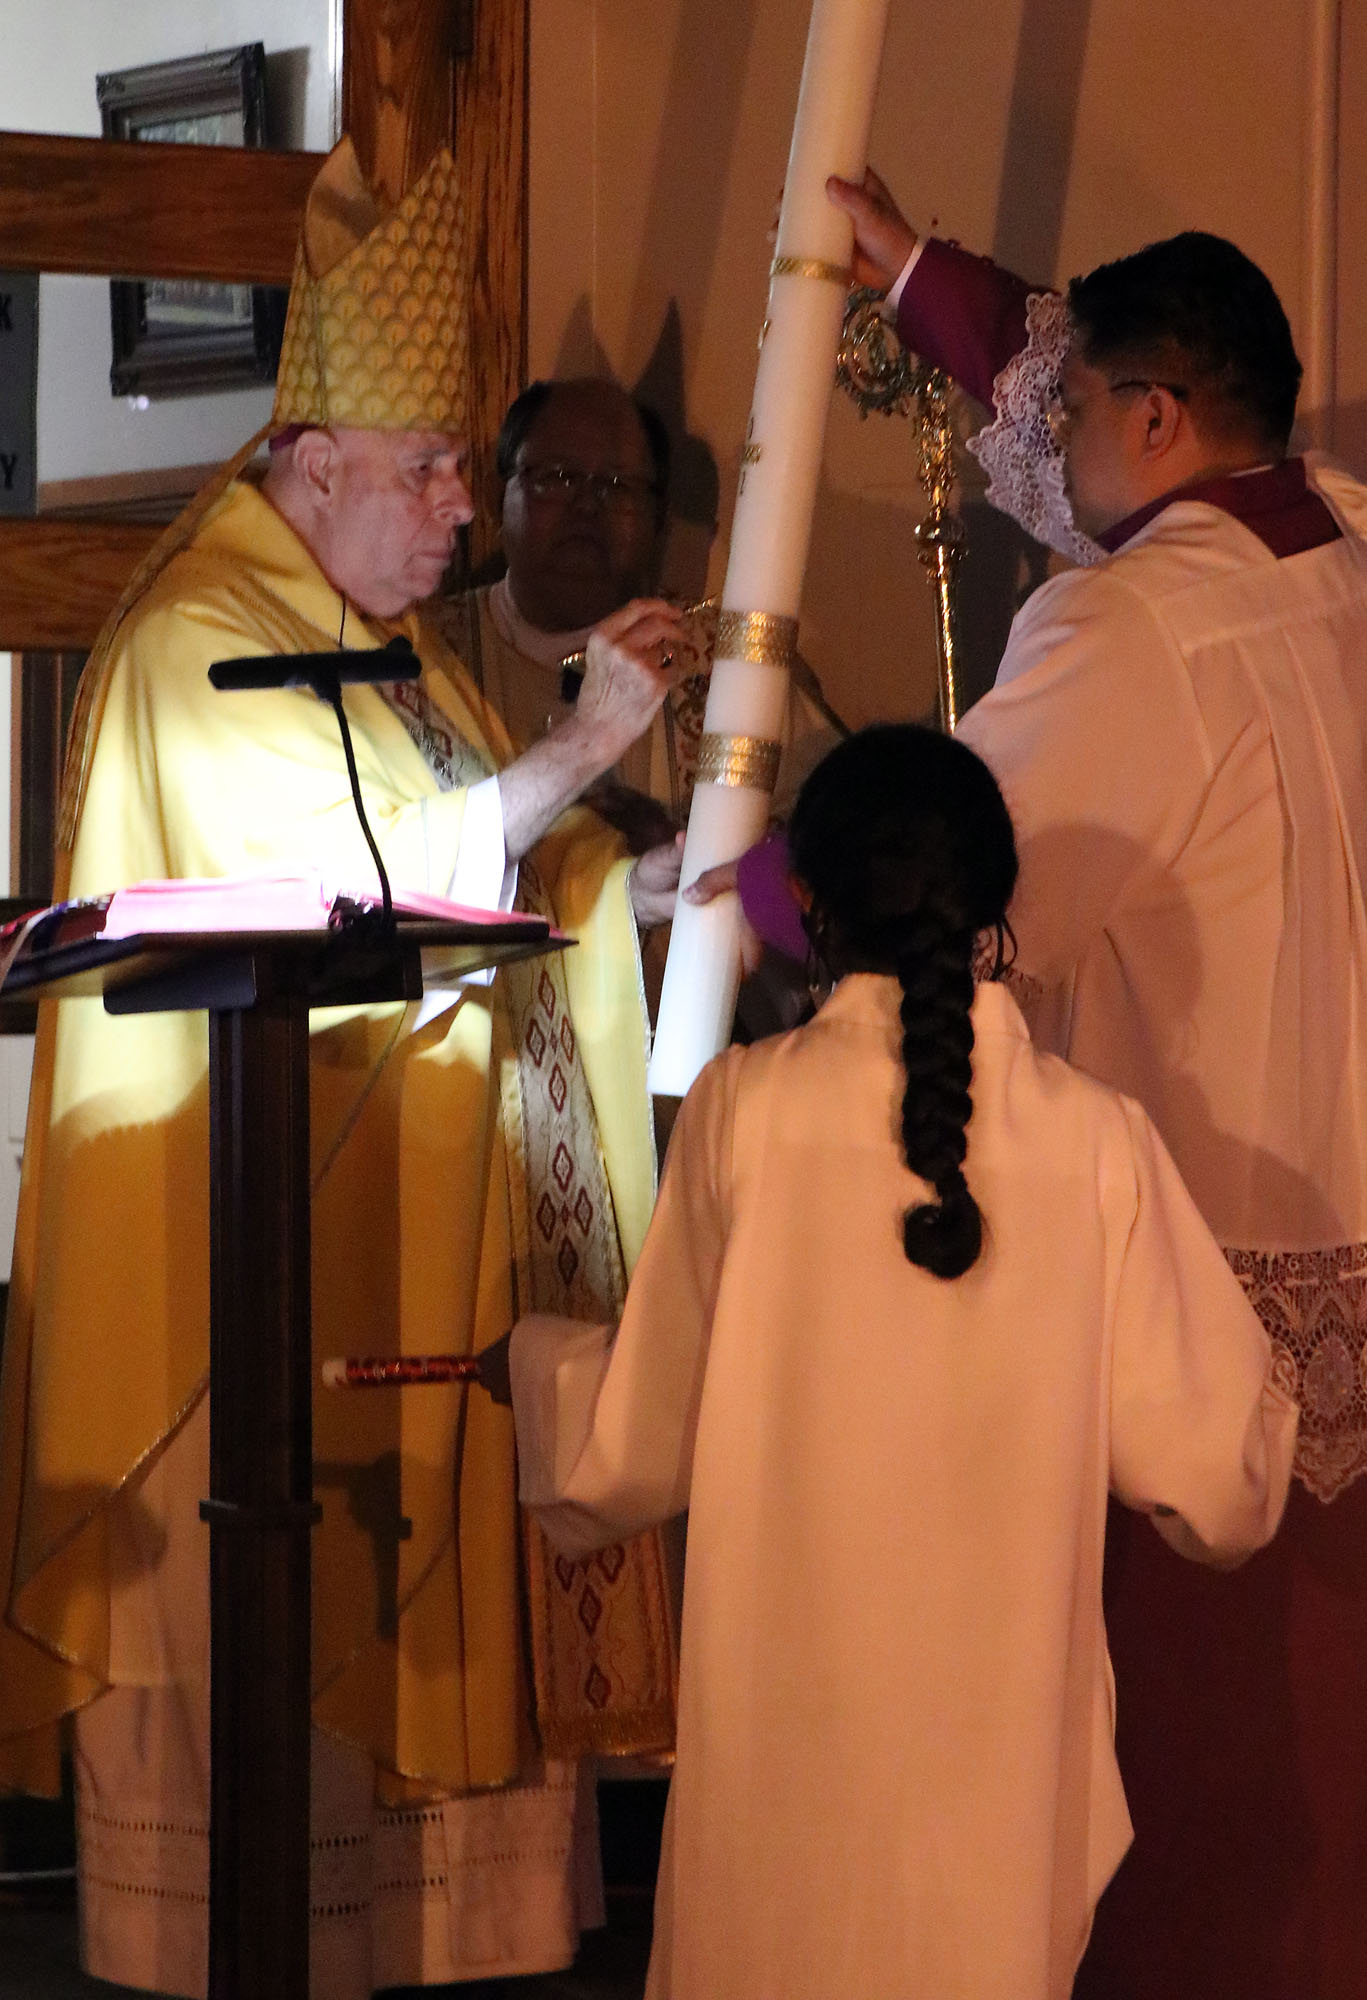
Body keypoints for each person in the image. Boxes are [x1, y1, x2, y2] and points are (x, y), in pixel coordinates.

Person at [0, 138, 686, 2000]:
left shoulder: (380, 643)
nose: (465, 507)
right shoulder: (204, 643)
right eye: (431, 468)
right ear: (309, 466)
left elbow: (503, 863)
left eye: (461, 467)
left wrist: (653, 881)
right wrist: (583, 747)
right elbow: (351, 892)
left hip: (395, 1267)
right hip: (245, 1295)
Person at [726, 172, 1367, 1999]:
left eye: (1078, 403)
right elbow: (1054, 405)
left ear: (1156, 416)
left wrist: (733, 896)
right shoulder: (1332, 526)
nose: (1044, 434)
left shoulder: (1123, 634)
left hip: (1205, 1272)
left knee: (1196, 1832)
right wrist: (915, 274)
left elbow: (940, 887)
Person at [491, 723, 1294, 2000]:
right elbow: (1215, 1472)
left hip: (786, 1737)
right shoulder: (1092, 1140)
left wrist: (533, 1367)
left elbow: (638, 1432)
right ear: (992, 906)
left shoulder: (744, 1108)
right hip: (996, 1755)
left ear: (807, 897)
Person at [438, 376, 842, 848]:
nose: (587, 506)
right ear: (495, 495)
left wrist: (688, 849)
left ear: (659, 520)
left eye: (618, 485)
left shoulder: (729, 657)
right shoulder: (429, 650)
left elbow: (839, 833)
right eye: (557, 477)